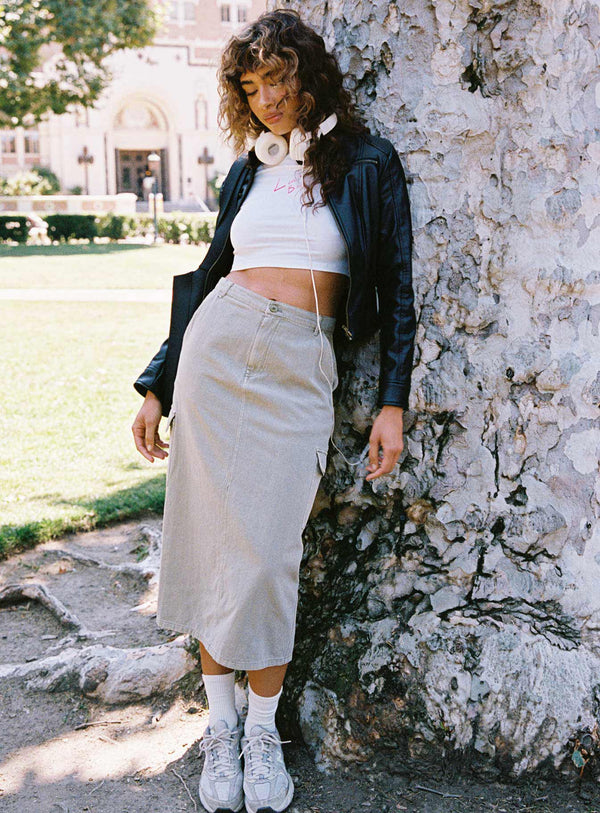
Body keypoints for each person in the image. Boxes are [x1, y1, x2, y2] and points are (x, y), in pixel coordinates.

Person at [131, 9, 415, 813]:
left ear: (309, 75)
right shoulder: (247, 172)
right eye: (251, 87)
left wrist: (392, 402)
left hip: (301, 360)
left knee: (266, 557)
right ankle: (222, 728)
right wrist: (158, 383)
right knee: (206, 545)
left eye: (278, 79)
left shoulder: (368, 163)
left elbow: (398, 287)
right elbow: (208, 275)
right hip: (218, 352)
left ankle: (263, 730)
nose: (267, 99)